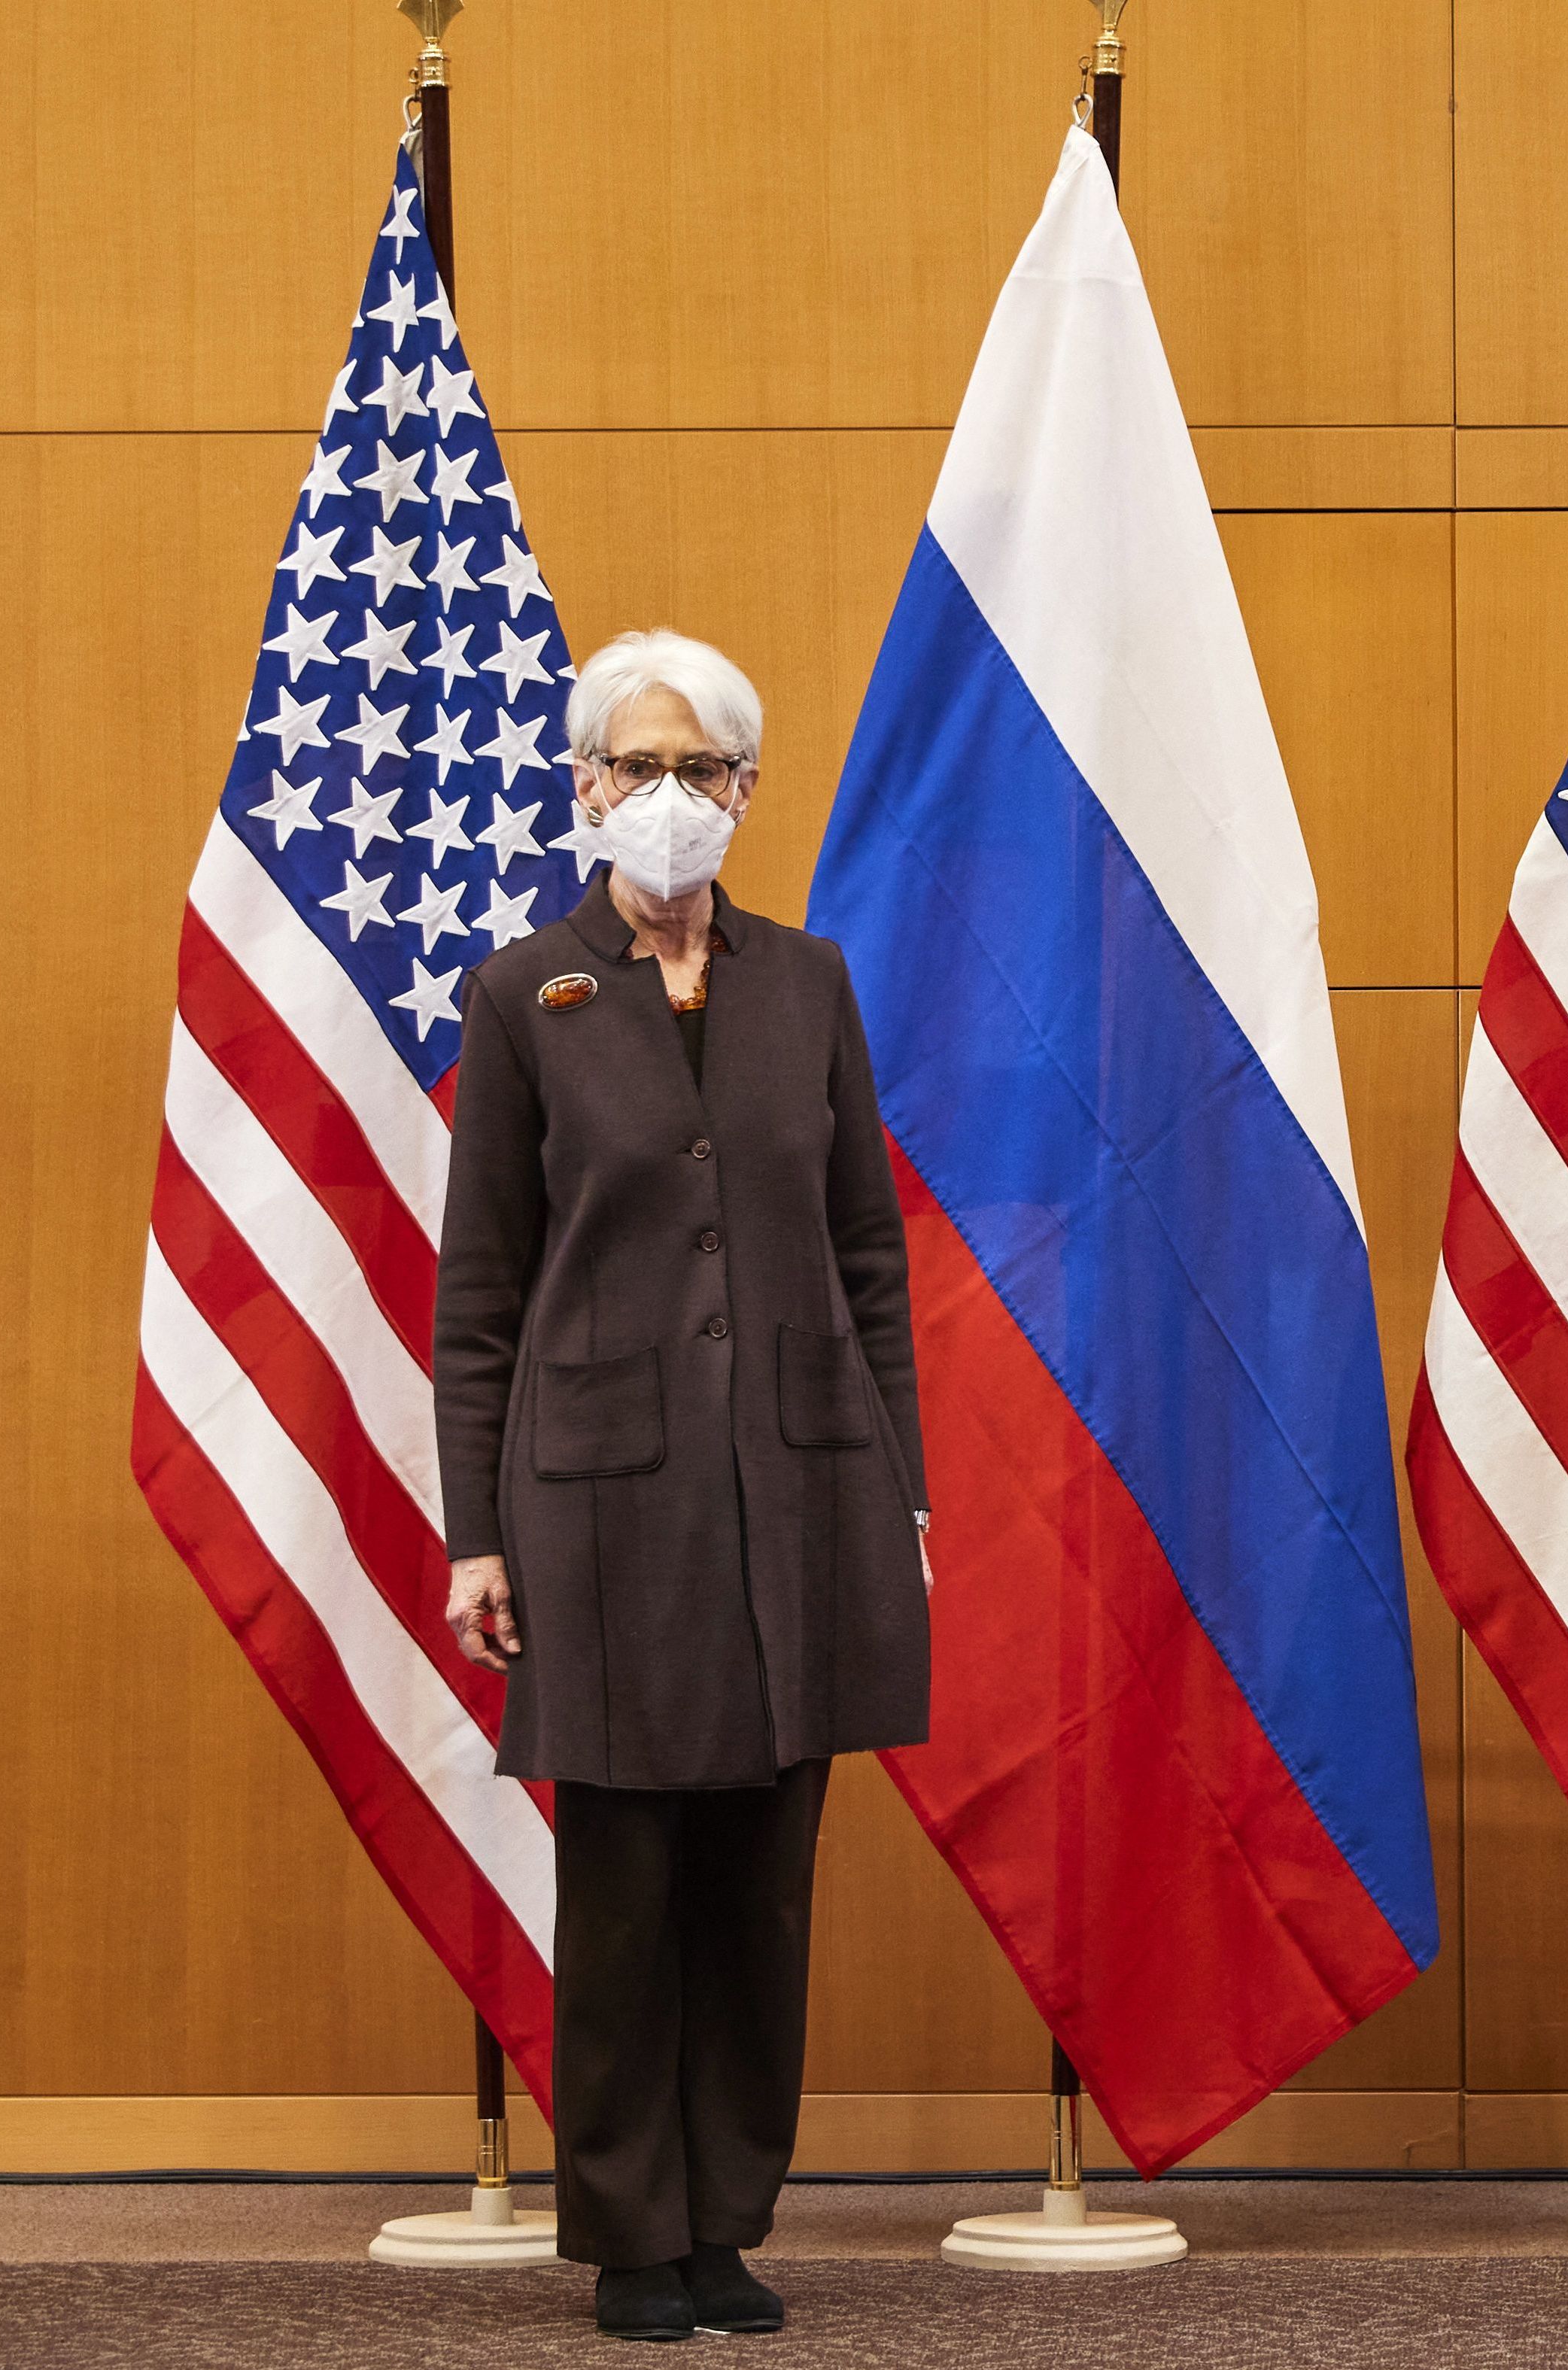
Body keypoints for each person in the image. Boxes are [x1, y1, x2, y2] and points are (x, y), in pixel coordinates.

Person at [434, 629, 933, 2344]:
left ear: (746, 788)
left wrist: (903, 1491)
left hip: (802, 1488)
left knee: (762, 1884)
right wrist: (476, 1535)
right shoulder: (527, 992)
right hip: (599, 1505)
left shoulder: (808, 982)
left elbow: (868, 1255)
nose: (668, 795)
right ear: (585, 787)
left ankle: (727, 2223)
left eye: (698, 767)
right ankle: (632, 2233)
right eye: (636, 765)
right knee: (628, 1887)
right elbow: (481, 1291)